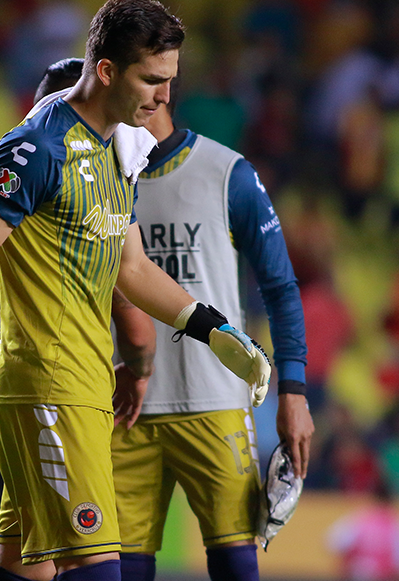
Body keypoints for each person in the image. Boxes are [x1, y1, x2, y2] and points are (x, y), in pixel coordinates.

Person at [0, 2, 270, 581]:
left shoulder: (115, 146)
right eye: (151, 81)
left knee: (21, 571)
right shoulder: (38, 146)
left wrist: (213, 329)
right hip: (46, 390)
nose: (162, 98)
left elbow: (131, 267)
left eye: (169, 82)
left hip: (81, 392)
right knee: (99, 569)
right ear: (106, 71)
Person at [0, 58, 157, 581]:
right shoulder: (77, 191)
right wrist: (139, 368)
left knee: (17, 564)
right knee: (86, 562)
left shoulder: (10, 190)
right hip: (54, 389)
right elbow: (134, 316)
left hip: (1, 389)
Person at [110, 91, 314, 581]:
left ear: (156, 93)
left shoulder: (227, 172)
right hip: (123, 407)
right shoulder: (100, 177)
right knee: (121, 569)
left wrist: (294, 391)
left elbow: (281, 288)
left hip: (215, 400)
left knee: (235, 566)